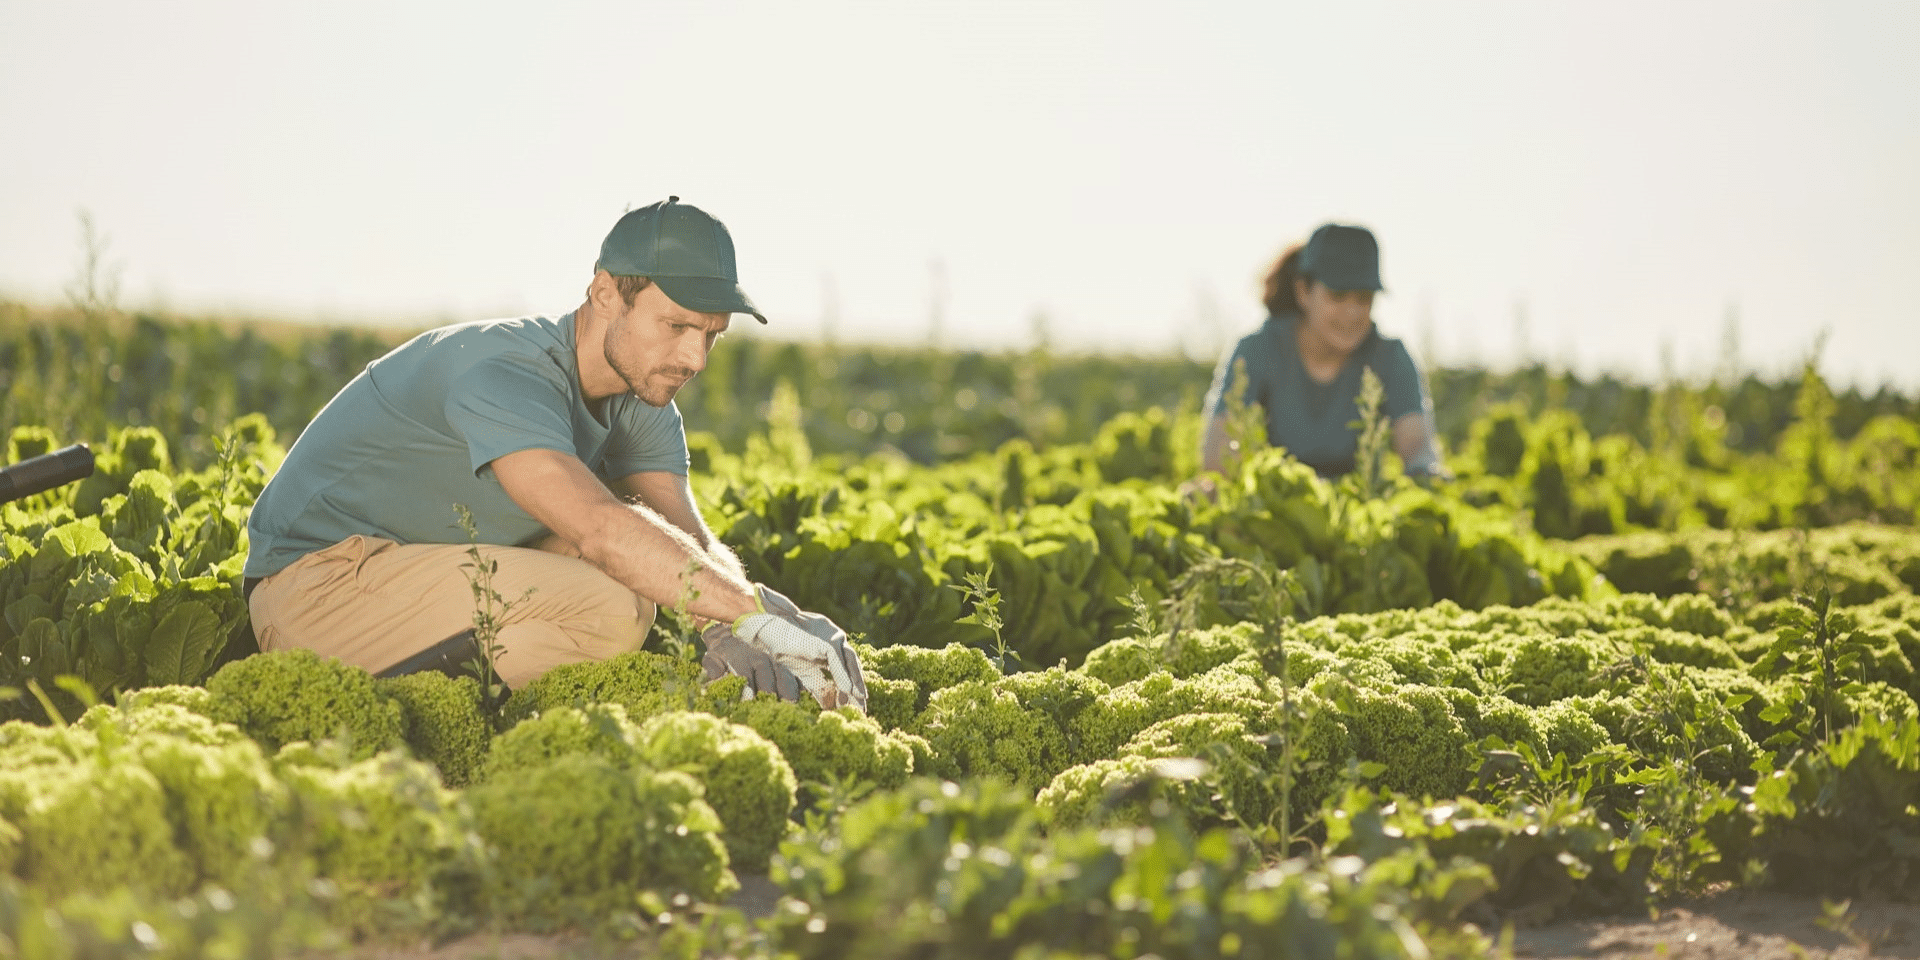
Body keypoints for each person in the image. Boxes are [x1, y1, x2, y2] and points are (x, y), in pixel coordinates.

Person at [241, 197, 866, 711]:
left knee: (644, 577)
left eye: (710, 336)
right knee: (613, 602)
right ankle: (372, 713)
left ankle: (465, 713)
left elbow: (687, 540)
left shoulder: (643, 401)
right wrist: (750, 616)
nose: (694, 359)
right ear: (604, 295)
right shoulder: (503, 373)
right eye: (675, 327)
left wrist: (763, 616)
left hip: (420, 575)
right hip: (315, 590)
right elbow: (597, 528)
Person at [1199, 223, 1445, 481]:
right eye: (1337, 295)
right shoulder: (1258, 349)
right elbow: (1218, 458)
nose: (1352, 312)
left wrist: (1426, 474)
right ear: (1304, 291)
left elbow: (1416, 446)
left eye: (1363, 297)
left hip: (1356, 508)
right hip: (1276, 506)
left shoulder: (1390, 357)